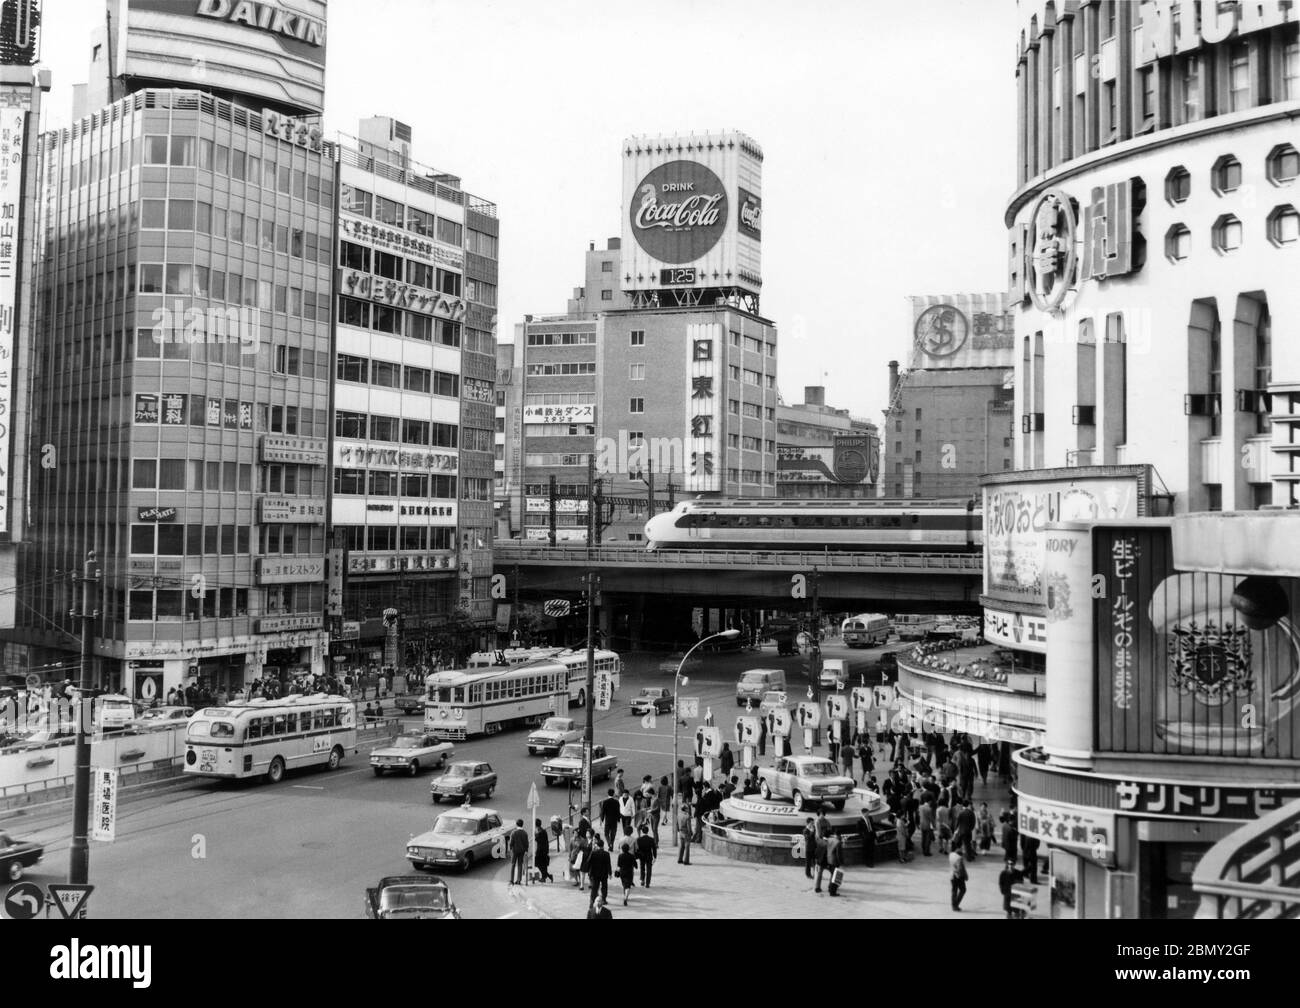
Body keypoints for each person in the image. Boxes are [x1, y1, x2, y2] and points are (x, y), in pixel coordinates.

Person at [586, 837, 612, 907]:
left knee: (594, 888)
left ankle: (592, 901)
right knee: (604, 887)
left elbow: (588, 862)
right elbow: (608, 864)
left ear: (597, 845)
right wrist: (610, 873)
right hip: (604, 873)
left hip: (595, 874)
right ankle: (604, 899)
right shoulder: (606, 854)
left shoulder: (593, 853)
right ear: (603, 846)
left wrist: (588, 871)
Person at [815, 830, 842, 895]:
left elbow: (816, 851)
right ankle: (830, 887)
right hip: (828, 861)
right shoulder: (831, 842)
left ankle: (817, 887)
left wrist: (816, 859)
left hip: (820, 861)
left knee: (819, 874)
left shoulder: (820, 841)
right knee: (833, 874)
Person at [616, 841, 637, 905]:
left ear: (622, 849)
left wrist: (617, 871)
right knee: (628, 886)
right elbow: (635, 864)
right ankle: (626, 898)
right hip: (629, 872)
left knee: (624, 885)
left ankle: (625, 895)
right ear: (628, 849)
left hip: (622, 872)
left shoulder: (620, 856)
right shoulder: (631, 856)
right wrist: (635, 866)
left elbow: (619, 865)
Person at [509, 819, 529, 885]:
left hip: (514, 851)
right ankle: (518, 880)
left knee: (513, 864)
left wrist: (510, 849)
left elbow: (511, 843)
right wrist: (526, 850)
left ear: (516, 824)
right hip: (522, 851)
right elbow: (526, 843)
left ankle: (511, 880)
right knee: (520, 865)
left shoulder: (513, 832)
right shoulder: (525, 833)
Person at [652, 776, 671, 842]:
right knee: (665, 811)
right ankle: (663, 820)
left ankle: (664, 820)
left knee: (662, 811)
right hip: (667, 800)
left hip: (661, 800)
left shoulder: (660, 787)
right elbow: (671, 794)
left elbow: (658, 794)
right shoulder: (669, 787)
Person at [534, 818, 553, 883]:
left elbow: (537, 840)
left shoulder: (540, 831)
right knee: (543, 864)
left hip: (541, 850)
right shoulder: (543, 830)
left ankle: (546, 876)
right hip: (544, 849)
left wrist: (535, 834)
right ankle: (545, 876)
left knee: (538, 863)